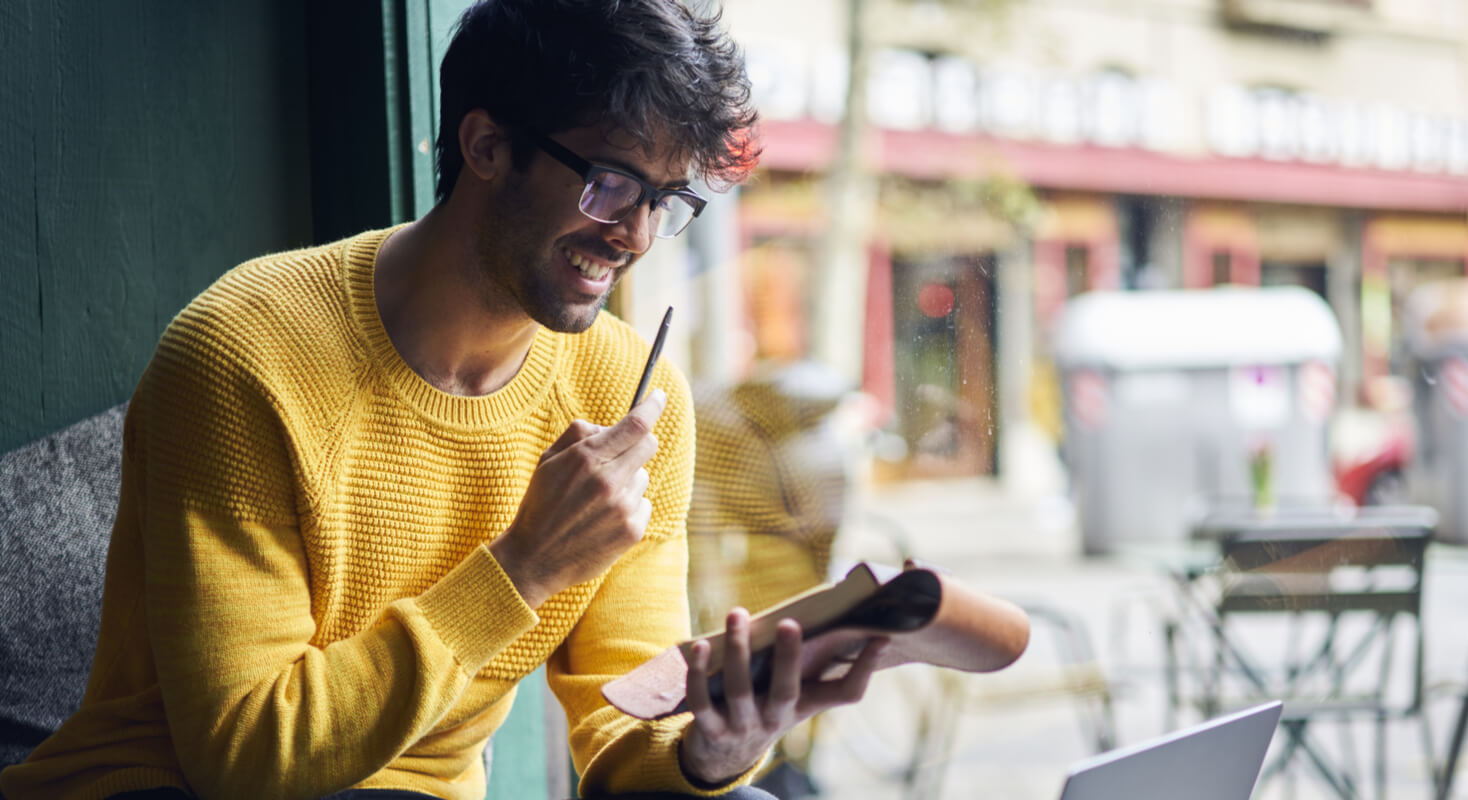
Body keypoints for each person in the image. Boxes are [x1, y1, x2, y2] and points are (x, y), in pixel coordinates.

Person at [0, 1, 885, 798]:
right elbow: (246, 758)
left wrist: (713, 755)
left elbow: (621, 743)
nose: (636, 235)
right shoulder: (246, 353)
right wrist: (525, 565)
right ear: (487, 146)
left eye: (666, 200)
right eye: (610, 183)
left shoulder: (630, 393)